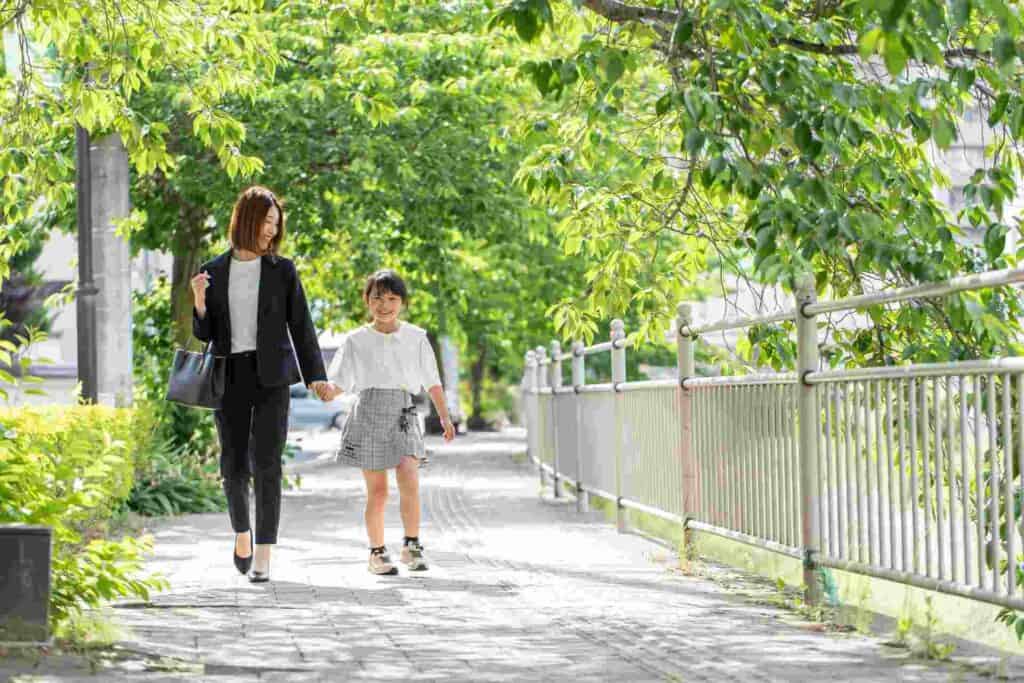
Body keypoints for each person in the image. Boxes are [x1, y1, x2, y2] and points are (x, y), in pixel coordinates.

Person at [191, 185, 331, 583]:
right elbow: (204, 333)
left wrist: (316, 376)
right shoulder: (214, 270)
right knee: (233, 464)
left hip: (272, 378)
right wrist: (199, 302)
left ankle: (265, 553)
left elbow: (301, 327)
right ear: (247, 220)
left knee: (268, 464)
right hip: (229, 375)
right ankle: (242, 533)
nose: (271, 230)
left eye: (276, 223)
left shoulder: (282, 270)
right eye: (266, 221)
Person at [322, 269, 455, 575]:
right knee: (378, 491)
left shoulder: (416, 337)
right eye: (377, 298)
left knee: (409, 475)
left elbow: (432, 381)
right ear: (367, 301)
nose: (384, 305)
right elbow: (339, 382)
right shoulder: (355, 340)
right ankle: (377, 553)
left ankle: (411, 546)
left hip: (403, 413)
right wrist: (326, 391)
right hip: (368, 412)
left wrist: (445, 417)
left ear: (403, 302)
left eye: (392, 298)